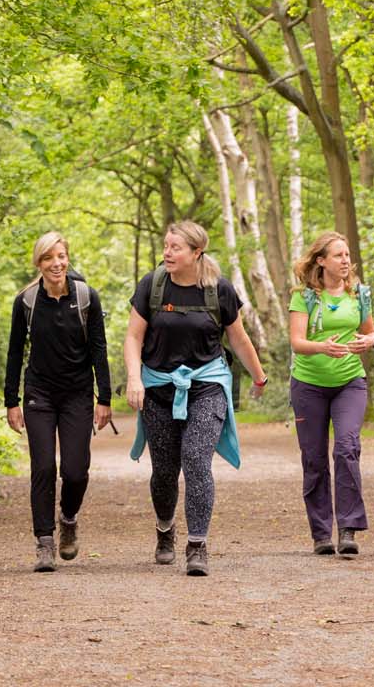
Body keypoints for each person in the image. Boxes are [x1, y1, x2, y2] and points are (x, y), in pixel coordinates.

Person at [123, 221, 269, 576]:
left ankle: (197, 545)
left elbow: (238, 338)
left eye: (176, 248)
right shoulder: (152, 286)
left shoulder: (218, 289)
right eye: (166, 246)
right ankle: (164, 529)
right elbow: (133, 337)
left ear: (196, 252)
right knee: (164, 471)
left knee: (196, 459)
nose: (167, 253)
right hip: (158, 388)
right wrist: (133, 379)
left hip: (206, 385)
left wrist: (259, 376)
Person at [4, 232, 111, 573]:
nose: (56, 263)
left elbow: (99, 349)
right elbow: (15, 351)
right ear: (39, 263)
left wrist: (104, 398)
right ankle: (44, 543)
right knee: (44, 467)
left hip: (78, 393)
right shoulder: (26, 302)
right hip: (40, 393)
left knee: (76, 471)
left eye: (61, 256)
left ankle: (68, 517)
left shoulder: (85, 297)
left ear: (68, 258)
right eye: (49, 258)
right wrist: (11, 401)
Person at [287, 231, 374, 555]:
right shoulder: (304, 296)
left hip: (349, 382)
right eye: (338, 255)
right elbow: (297, 342)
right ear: (321, 260)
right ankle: (321, 533)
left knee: (346, 447)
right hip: (309, 384)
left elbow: (371, 333)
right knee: (314, 458)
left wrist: (369, 342)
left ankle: (349, 529)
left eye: (347, 254)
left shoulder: (360, 294)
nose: (345, 261)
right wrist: (321, 347)